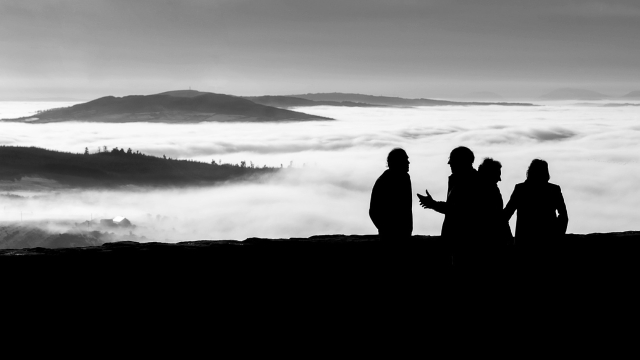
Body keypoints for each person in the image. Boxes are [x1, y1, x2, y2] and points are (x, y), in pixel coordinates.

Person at [418, 146, 482, 265]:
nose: (450, 164)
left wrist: (433, 204)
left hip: (465, 241)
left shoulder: (471, 182)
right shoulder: (462, 180)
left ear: (461, 162)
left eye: (452, 161)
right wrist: (433, 204)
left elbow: (457, 209)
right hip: (460, 241)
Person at [503, 159, 568, 247]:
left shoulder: (521, 189)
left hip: (524, 241)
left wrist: (509, 237)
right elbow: (563, 216)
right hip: (548, 241)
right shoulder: (554, 189)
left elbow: (506, 215)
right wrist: (557, 236)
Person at [369, 148, 413, 241]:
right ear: (397, 162)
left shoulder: (405, 177)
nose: (408, 163)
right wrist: (386, 230)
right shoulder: (383, 182)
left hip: (405, 235)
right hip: (389, 237)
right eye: (405, 160)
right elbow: (373, 211)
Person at [477, 158, 513, 246]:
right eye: (497, 174)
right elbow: (499, 216)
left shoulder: (489, 189)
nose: (499, 179)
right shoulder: (491, 190)